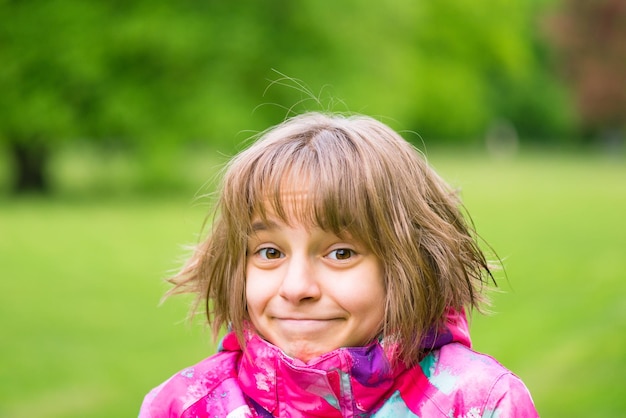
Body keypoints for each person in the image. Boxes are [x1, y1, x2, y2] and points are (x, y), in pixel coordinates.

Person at [139, 112, 539, 417]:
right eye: (270, 253)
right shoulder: (181, 406)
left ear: (411, 265)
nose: (296, 288)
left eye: (341, 253)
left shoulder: (480, 404)